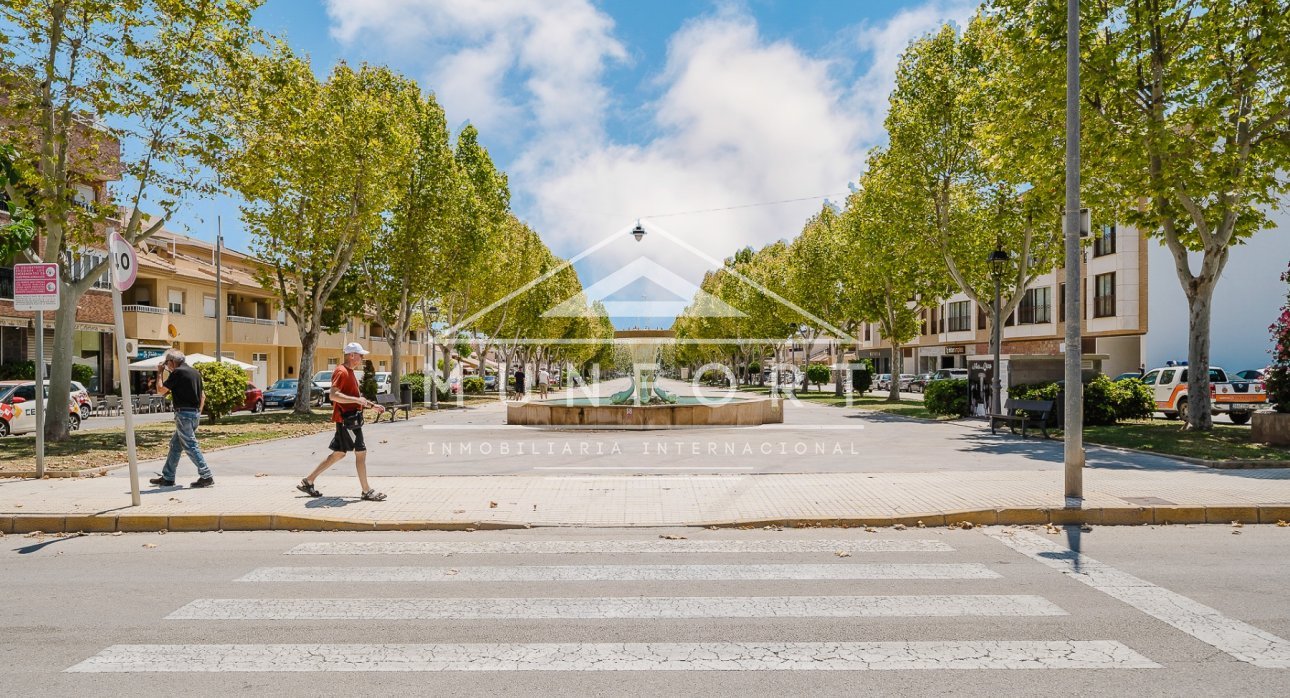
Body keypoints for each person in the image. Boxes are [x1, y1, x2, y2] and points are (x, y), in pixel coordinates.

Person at [297, 343, 386, 502]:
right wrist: (358, 400)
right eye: (360, 355)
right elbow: (333, 396)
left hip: (350, 419)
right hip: (347, 420)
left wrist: (372, 405)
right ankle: (366, 491)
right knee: (361, 452)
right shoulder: (341, 371)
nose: (362, 358)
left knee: (339, 453)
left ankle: (308, 481)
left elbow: (354, 398)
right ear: (351, 355)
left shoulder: (349, 372)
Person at [149, 349, 214, 488]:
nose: (167, 366)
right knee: (175, 445)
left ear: (172, 362)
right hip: (194, 413)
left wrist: (160, 372)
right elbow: (203, 396)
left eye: (167, 364)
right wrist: (197, 412)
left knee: (190, 445)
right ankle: (168, 477)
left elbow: (161, 390)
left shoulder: (177, 373)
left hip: (183, 414)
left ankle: (206, 475)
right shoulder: (195, 372)